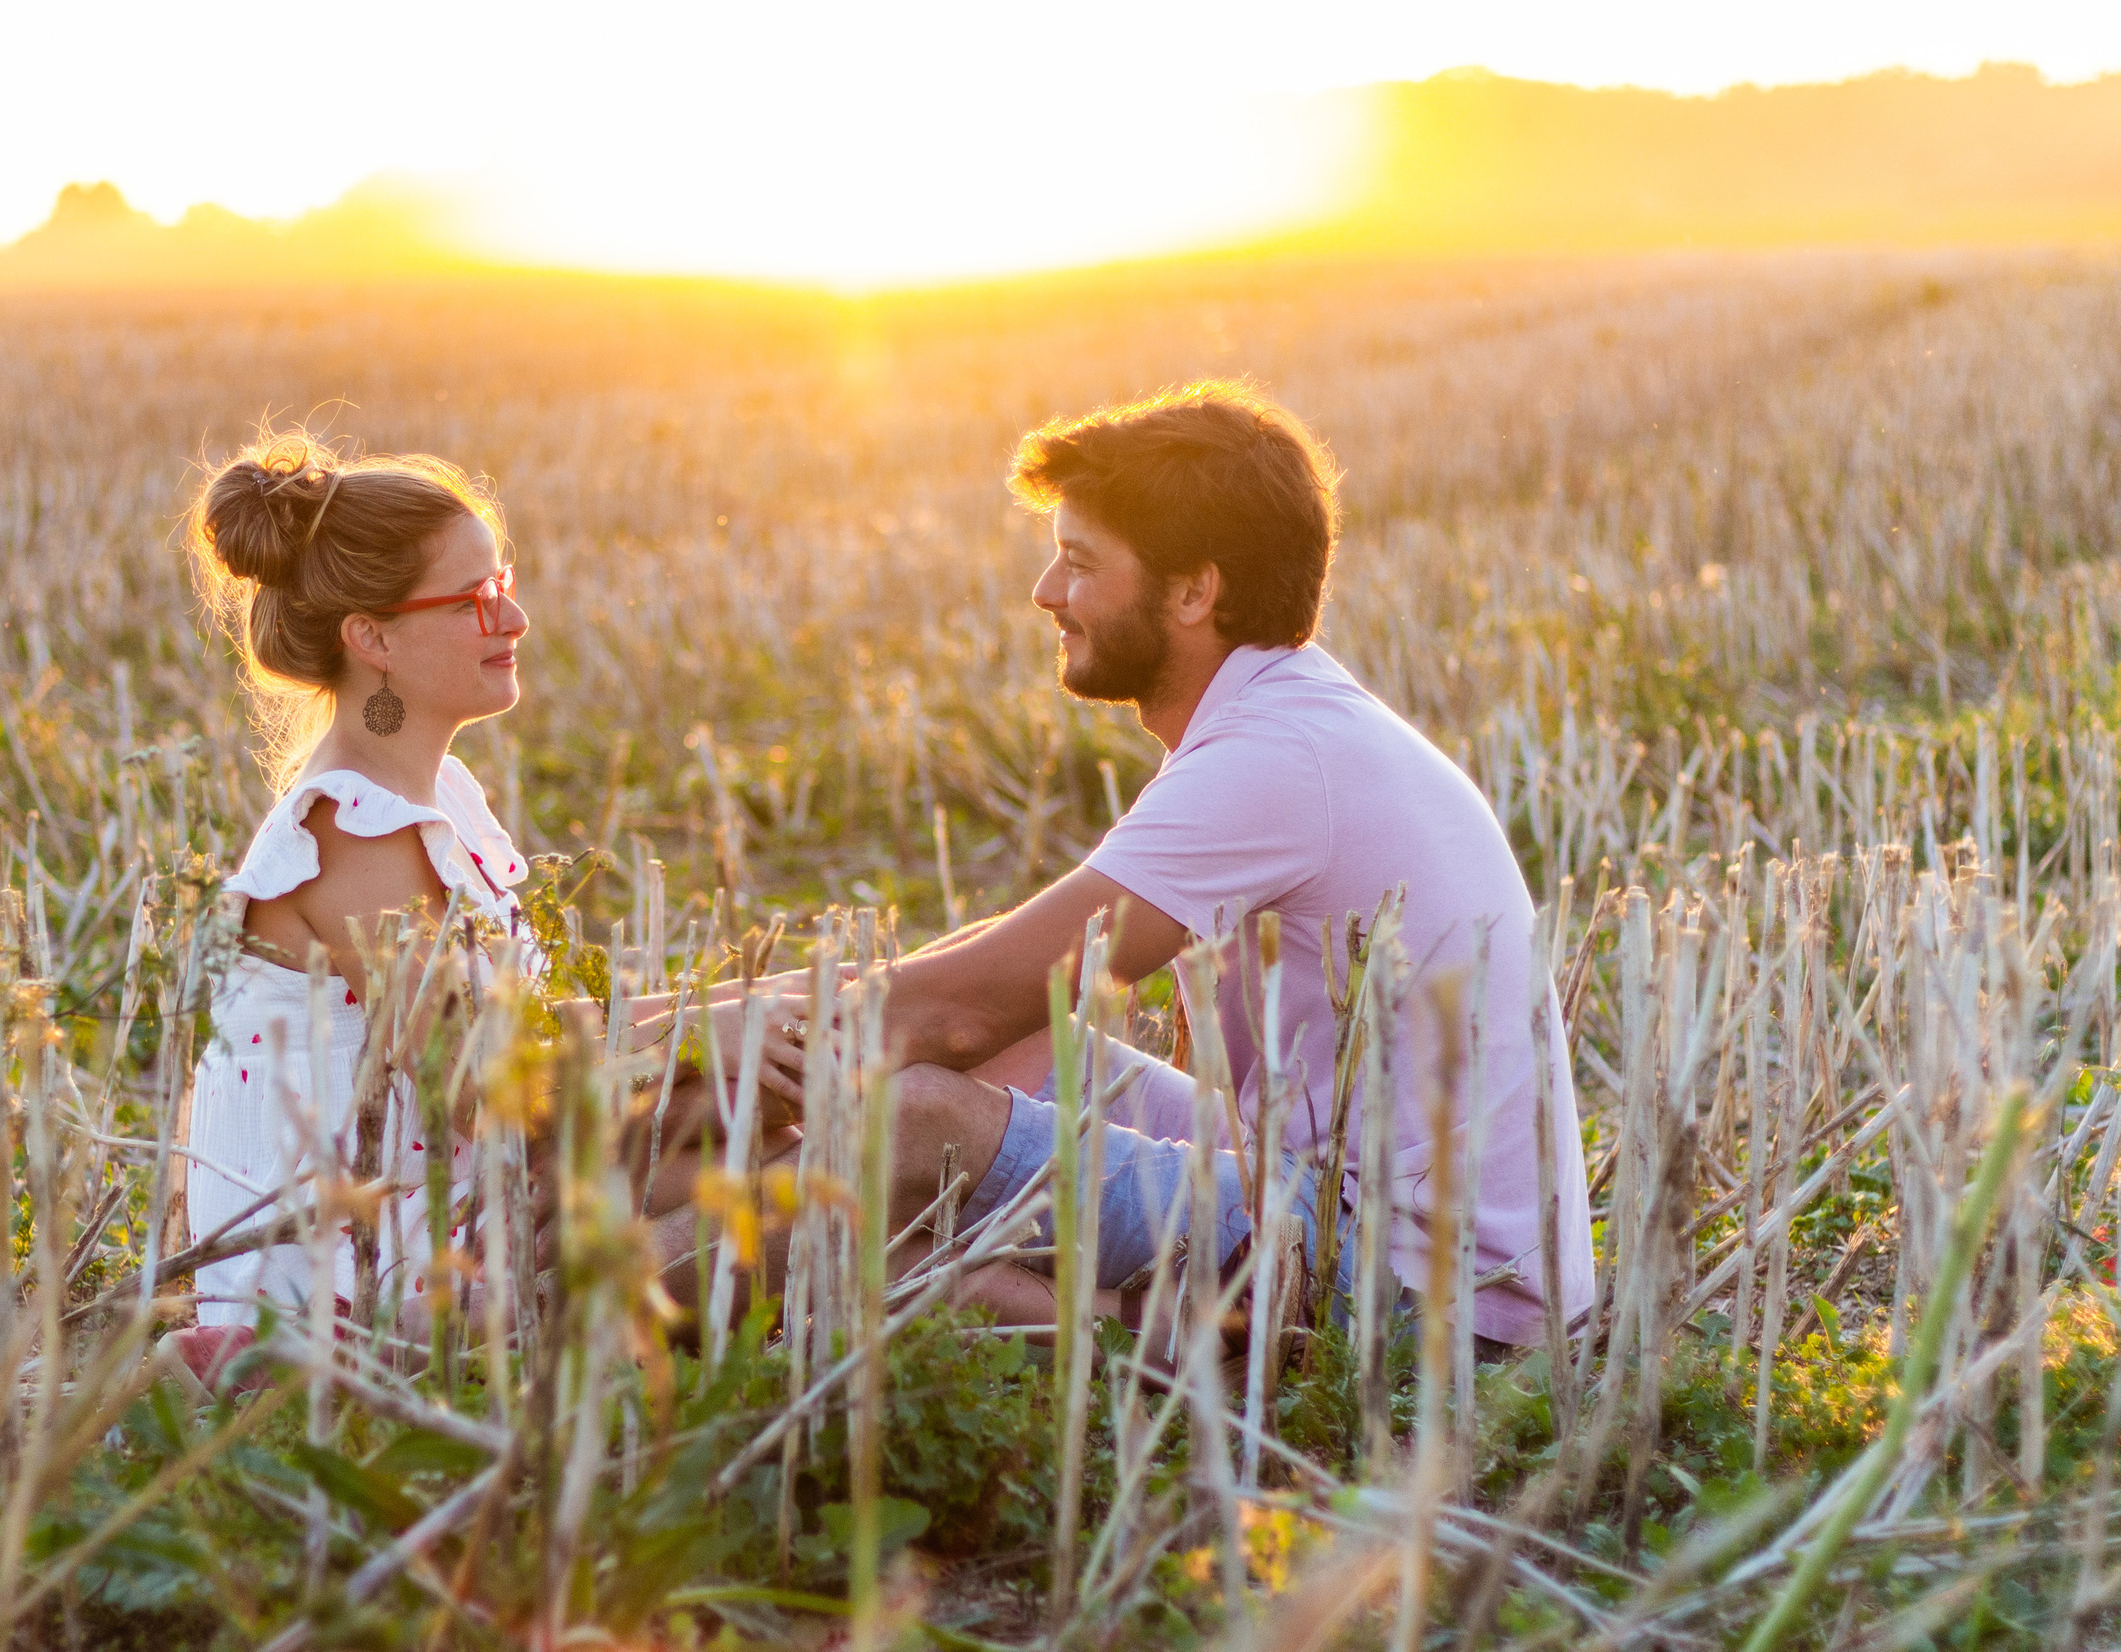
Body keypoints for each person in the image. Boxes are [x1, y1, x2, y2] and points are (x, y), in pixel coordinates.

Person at [770, 380, 1594, 1350]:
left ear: (1196, 591)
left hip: (1420, 1282)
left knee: (910, 1123)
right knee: (991, 1083)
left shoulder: (1276, 756)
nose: (1045, 592)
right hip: (1316, 1187)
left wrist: (651, 1057)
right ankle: (1125, 1326)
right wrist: (688, 1030)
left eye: (1079, 563)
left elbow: (955, 1010)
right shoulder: (1278, 720)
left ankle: (590, 1280)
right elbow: (985, 979)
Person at [165, 433, 775, 1389]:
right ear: (373, 638)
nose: (516, 616)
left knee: (801, 1120)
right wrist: (704, 1035)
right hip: (366, 1272)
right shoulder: (350, 833)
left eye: (508, 582)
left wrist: (737, 1018)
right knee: (791, 1180)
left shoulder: (438, 791)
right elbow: (488, 1083)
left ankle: (1095, 1293)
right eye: (477, 599)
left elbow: (525, 1038)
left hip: (458, 1203)